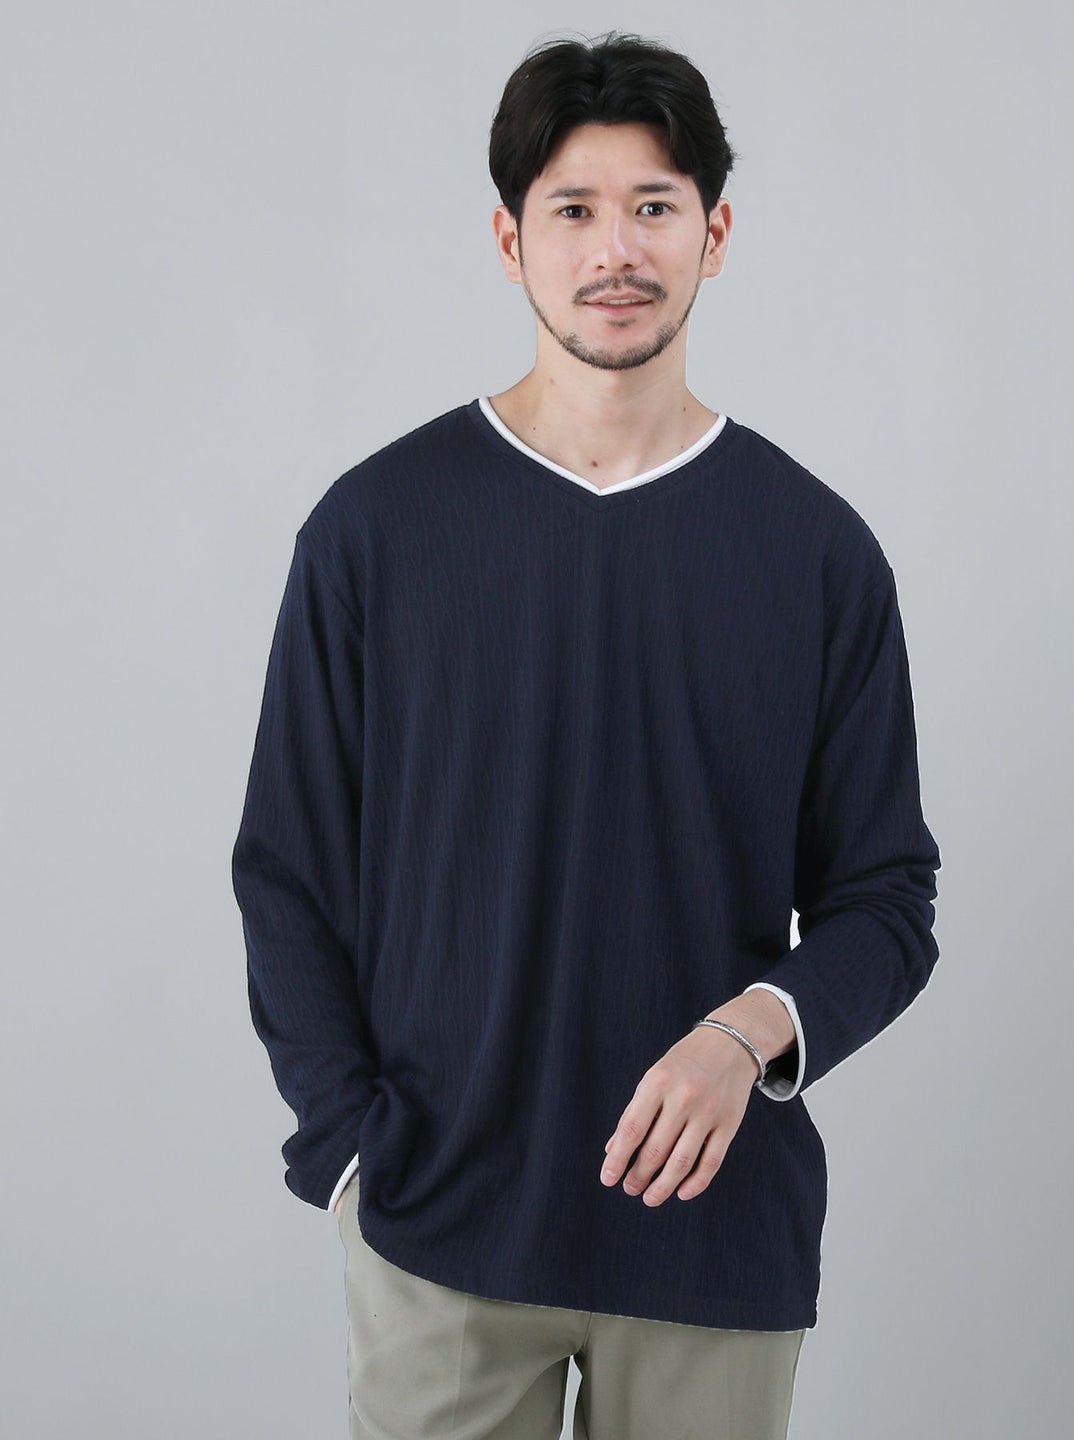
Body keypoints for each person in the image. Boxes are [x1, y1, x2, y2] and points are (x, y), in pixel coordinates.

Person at [231, 30, 941, 1440]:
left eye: (655, 206)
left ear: (714, 235)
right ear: (511, 241)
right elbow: (290, 872)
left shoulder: (816, 552)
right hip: (439, 1232)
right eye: (574, 208)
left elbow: (885, 899)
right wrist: (351, 1152)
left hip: (713, 1240)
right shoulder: (376, 532)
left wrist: (749, 1035)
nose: (617, 248)